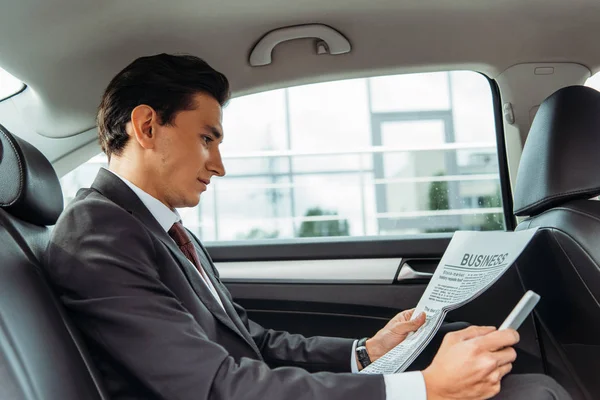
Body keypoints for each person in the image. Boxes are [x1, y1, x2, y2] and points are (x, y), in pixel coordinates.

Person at [44, 53, 571, 400]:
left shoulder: (156, 227)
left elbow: (251, 340)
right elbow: (212, 386)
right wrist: (424, 388)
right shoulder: (98, 234)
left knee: (492, 360)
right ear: (146, 126)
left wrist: (369, 352)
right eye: (208, 138)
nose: (219, 164)